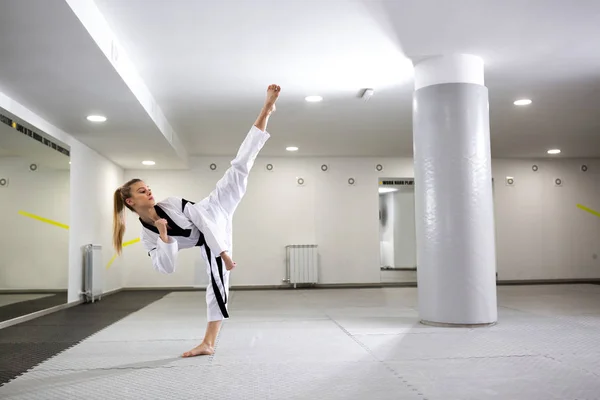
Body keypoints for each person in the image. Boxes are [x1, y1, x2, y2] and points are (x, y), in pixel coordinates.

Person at [112, 84, 281, 357]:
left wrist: (223, 252)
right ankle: (209, 343)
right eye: (142, 190)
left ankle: (266, 111)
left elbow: (202, 220)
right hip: (208, 239)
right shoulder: (148, 235)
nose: (149, 191)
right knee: (216, 283)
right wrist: (164, 237)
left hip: (214, 210)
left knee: (240, 166)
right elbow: (165, 268)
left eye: (148, 187)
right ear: (131, 202)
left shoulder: (172, 203)